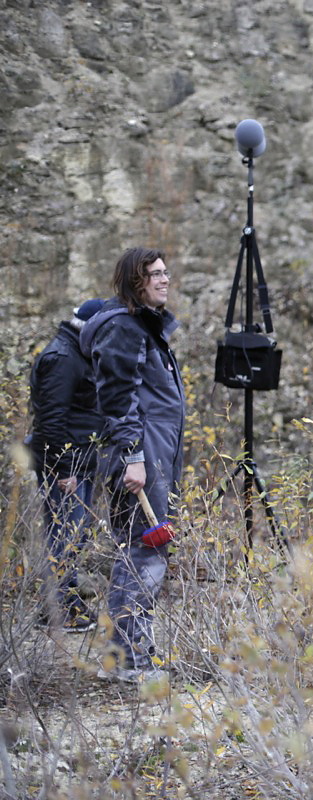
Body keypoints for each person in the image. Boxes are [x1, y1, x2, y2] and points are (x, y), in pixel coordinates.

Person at [80, 247, 184, 683]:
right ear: (135, 282)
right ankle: (129, 662)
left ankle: (129, 654)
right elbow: (117, 400)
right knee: (143, 551)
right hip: (140, 459)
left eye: (165, 273)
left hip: (156, 453)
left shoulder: (142, 326)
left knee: (142, 551)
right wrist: (134, 458)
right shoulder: (123, 329)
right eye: (155, 275)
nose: (164, 280)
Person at [28, 298, 106, 632]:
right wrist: (62, 470)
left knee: (73, 537)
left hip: (78, 462)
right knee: (64, 537)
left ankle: (66, 604)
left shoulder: (77, 352)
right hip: (66, 466)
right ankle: (58, 611)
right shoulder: (62, 358)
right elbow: (52, 420)